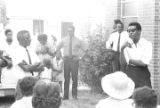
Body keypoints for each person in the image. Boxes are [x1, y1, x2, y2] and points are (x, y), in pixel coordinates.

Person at [54, 25, 87, 100]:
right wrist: (61, 57)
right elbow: (57, 47)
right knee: (66, 79)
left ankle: (74, 96)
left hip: (74, 61)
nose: (70, 32)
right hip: (66, 61)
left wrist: (80, 57)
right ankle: (65, 96)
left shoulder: (78, 40)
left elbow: (85, 48)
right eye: (68, 31)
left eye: (71, 31)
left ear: (74, 31)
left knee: (75, 79)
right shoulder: (64, 40)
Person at [12, 30, 44, 100]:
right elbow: (25, 69)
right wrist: (34, 66)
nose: (30, 39)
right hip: (23, 83)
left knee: (35, 103)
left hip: (34, 81)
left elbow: (42, 66)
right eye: (28, 37)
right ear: (21, 39)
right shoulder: (16, 52)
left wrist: (31, 66)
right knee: (22, 104)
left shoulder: (31, 50)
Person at [122, 22, 152, 88]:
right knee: (130, 94)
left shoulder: (147, 44)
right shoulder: (126, 45)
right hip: (130, 71)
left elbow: (144, 63)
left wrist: (129, 60)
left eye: (133, 31)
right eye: (128, 31)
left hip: (142, 72)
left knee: (145, 94)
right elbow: (123, 63)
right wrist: (122, 49)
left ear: (139, 31)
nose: (130, 33)